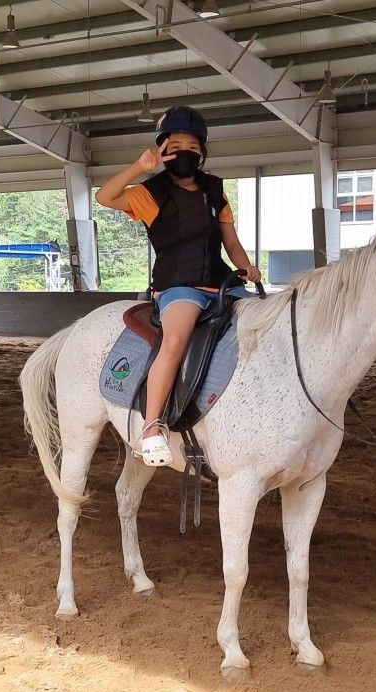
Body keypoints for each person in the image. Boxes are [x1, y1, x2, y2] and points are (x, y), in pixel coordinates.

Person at [95, 105, 261, 467]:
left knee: (262, 326)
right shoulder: (149, 193)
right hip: (178, 287)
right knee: (175, 340)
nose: (184, 151)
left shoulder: (215, 191)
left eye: (192, 145)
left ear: (202, 151)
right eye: (175, 144)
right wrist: (141, 167)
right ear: (162, 150)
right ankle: (152, 426)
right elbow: (104, 197)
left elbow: (230, 242)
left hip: (221, 284)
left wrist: (246, 266)